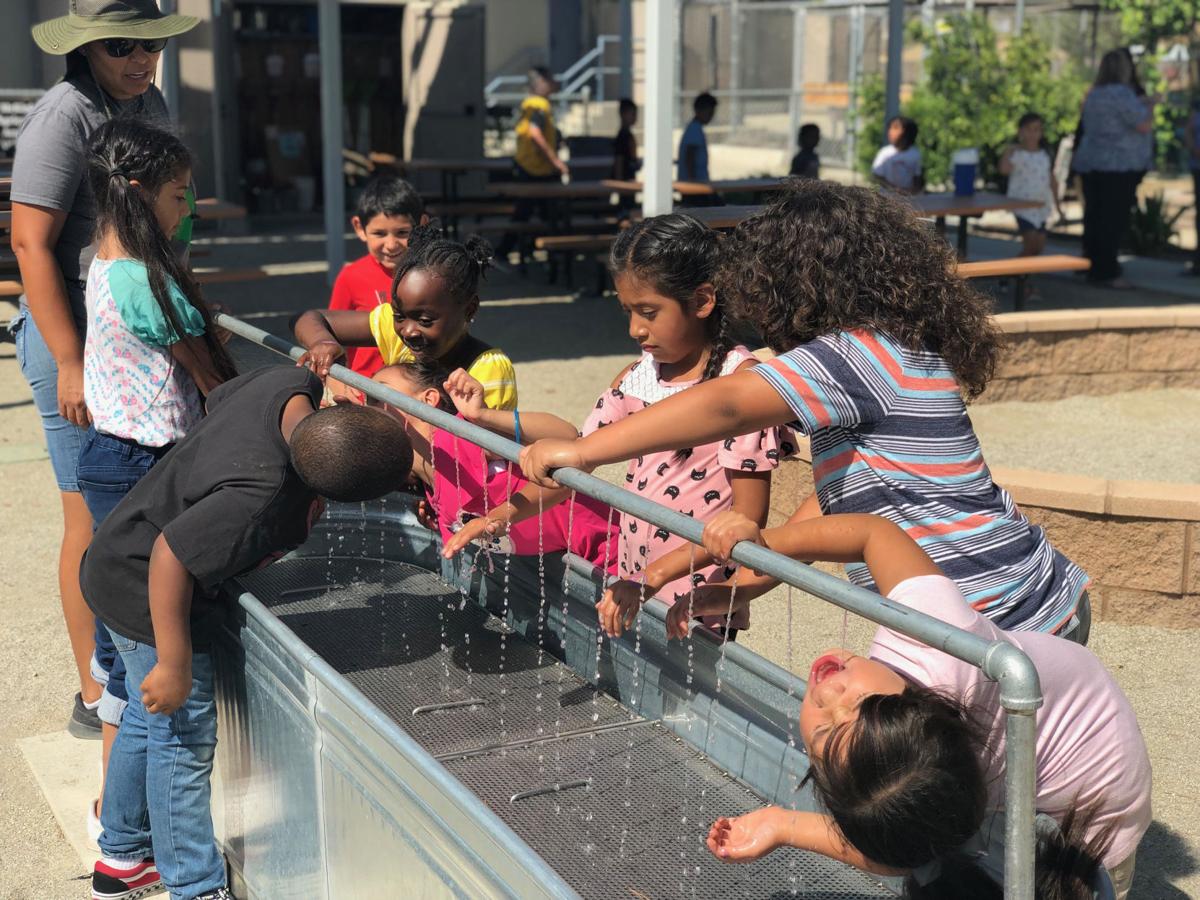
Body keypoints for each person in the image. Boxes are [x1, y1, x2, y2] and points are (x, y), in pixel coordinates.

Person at [520, 182, 1092, 641]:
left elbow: (726, 404)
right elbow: (832, 500)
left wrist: (583, 451)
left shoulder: (858, 355)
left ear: (803, 283)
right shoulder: (885, 353)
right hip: (1001, 607)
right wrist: (741, 588)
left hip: (1006, 618)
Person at [693, 510, 1150, 900]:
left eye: (831, 726)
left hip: (1098, 796)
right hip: (1031, 753)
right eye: (839, 722)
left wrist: (764, 551)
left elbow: (875, 534)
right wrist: (781, 824)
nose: (828, 695)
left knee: (1073, 887)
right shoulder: (927, 666)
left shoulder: (932, 640)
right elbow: (899, 852)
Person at [81, 365, 413, 900]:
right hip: (146, 589)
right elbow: (171, 554)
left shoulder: (288, 386)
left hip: (118, 556)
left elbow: (219, 402)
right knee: (183, 735)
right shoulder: (260, 496)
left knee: (149, 720)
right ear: (321, 497)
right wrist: (174, 663)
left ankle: (122, 856)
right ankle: (194, 884)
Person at [450, 214, 783, 639]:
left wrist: (659, 576)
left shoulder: (743, 389)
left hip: (699, 597)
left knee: (692, 697)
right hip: (631, 577)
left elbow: (746, 517)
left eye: (648, 312)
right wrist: (500, 516)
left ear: (702, 300)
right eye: (627, 311)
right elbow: (573, 469)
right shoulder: (638, 378)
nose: (634, 329)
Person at [11, 0, 194, 743]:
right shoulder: (64, 115)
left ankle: (134, 665)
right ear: (84, 49)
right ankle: (95, 689)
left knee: (144, 505)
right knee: (87, 518)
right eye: (119, 45)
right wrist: (67, 361)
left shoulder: (151, 103)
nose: (138, 57)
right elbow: (29, 243)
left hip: (136, 337)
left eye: (146, 42)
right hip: (77, 343)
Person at [79, 117, 236, 842]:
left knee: (130, 671)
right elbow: (212, 381)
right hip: (146, 467)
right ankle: (130, 849)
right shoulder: (148, 281)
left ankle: (121, 838)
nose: (187, 211)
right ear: (141, 194)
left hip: (107, 461)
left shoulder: (101, 263)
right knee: (161, 682)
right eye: (180, 197)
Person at [368, 363, 618, 568]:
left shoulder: (461, 436)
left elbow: (568, 437)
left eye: (377, 397)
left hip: (613, 547)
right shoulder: (431, 486)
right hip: (581, 562)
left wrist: (483, 417)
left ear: (428, 399)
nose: (369, 407)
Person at [293, 224, 518, 410]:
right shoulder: (394, 328)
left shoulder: (488, 370)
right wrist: (323, 342)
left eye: (425, 321)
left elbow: (475, 452)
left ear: (469, 310)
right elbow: (307, 317)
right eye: (399, 315)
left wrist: (366, 419)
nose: (408, 330)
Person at [328, 175, 428, 380]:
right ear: (359, 228)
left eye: (402, 232)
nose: (391, 244)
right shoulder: (351, 277)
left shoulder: (432, 274)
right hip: (364, 387)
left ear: (423, 225)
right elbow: (334, 335)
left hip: (421, 386)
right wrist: (340, 383)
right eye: (380, 234)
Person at [1072, 49, 1154, 288]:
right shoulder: (1122, 93)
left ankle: (1092, 264)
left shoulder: (1094, 94)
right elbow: (1142, 125)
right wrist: (1152, 106)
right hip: (1118, 166)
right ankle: (1106, 271)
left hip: (1093, 163)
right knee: (1112, 219)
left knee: (1095, 217)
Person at [496, 66, 569, 259]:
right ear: (542, 84)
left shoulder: (530, 104)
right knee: (545, 213)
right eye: (550, 79)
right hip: (536, 170)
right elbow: (535, 133)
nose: (554, 83)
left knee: (528, 213)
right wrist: (556, 162)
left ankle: (516, 249)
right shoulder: (538, 105)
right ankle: (552, 253)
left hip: (527, 168)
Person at [998, 113, 1064, 259]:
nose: (1033, 133)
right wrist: (1009, 150)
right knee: (1030, 245)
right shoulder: (1017, 153)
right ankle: (1013, 274)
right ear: (1021, 131)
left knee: (1038, 248)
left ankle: (1021, 276)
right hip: (1023, 206)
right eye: (1029, 129)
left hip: (1041, 206)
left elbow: (1052, 180)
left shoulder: (1045, 154)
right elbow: (1004, 170)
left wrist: (1058, 206)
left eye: (1037, 129)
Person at [871, 116, 922, 194]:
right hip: (886, 198)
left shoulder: (915, 154)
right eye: (890, 128)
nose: (890, 131)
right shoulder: (884, 152)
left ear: (907, 132)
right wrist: (894, 189)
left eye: (895, 128)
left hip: (907, 199)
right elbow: (876, 177)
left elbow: (917, 177)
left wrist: (914, 191)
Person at [678, 92, 718, 183]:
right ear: (699, 110)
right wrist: (692, 182)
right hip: (695, 186)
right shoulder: (694, 129)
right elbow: (689, 157)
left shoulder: (696, 128)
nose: (711, 116)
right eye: (709, 112)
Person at [612, 97, 639, 181]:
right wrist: (619, 180)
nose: (635, 117)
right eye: (632, 114)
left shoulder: (627, 135)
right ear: (623, 114)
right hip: (625, 179)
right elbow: (619, 159)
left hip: (629, 177)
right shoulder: (623, 137)